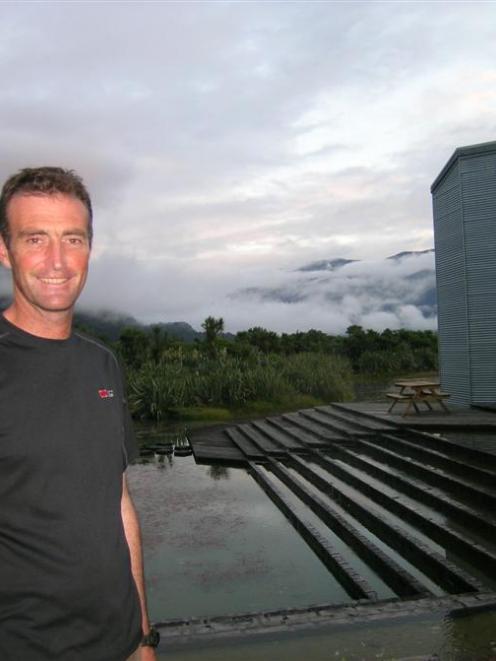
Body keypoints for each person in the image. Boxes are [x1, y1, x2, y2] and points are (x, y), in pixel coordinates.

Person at [0, 167, 159, 660]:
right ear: (4, 250)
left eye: (73, 238)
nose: (57, 261)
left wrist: (143, 637)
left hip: (119, 643)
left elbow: (118, 502)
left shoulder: (102, 363)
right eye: (35, 239)